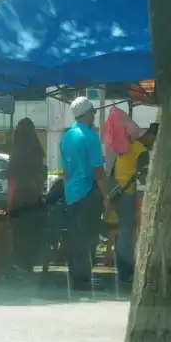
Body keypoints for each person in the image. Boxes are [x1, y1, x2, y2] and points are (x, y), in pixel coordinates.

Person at [60, 97, 110, 288]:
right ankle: (82, 279)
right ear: (88, 114)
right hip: (88, 192)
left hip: (71, 193)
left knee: (75, 236)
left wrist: (68, 192)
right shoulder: (90, 137)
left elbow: (65, 172)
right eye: (93, 112)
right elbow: (98, 170)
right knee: (88, 237)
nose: (94, 116)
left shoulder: (66, 138)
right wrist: (106, 197)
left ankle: (75, 276)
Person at [111, 122, 159, 283]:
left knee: (124, 231)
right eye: (155, 143)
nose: (154, 147)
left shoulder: (130, 145)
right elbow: (145, 177)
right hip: (128, 194)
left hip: (118, 192)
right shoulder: (142, 151)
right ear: (152, 137)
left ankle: (123, 268)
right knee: (127, 231)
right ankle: (125, 271)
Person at [4, 118, 47, 272]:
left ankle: (19, 264)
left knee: (19, 232)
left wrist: (1, 174)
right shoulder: (37, 151)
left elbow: (10, 171)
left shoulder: (19, 151)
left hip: (21, 196)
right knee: (31, 232)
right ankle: (28, 264)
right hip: (35, 197)